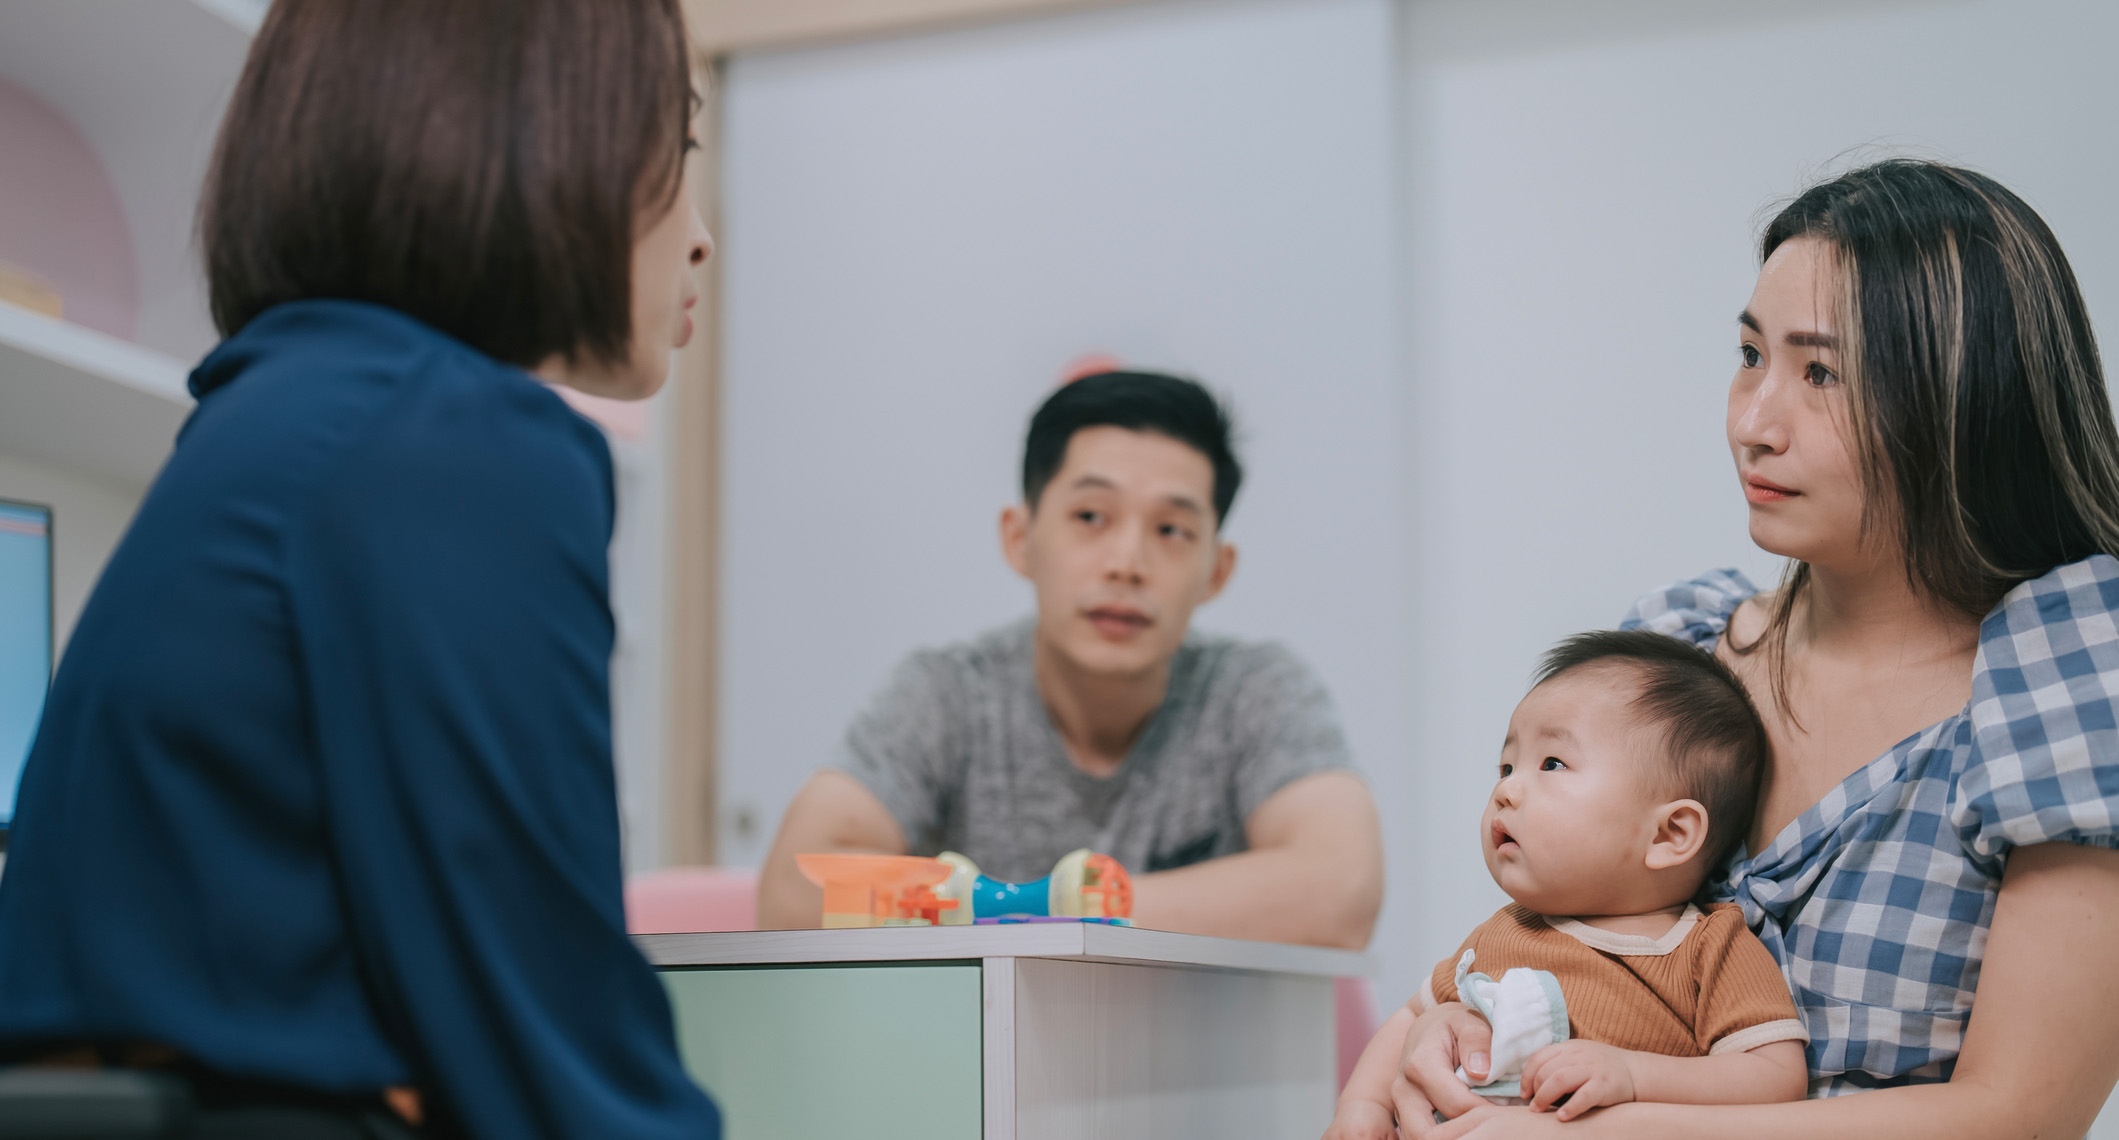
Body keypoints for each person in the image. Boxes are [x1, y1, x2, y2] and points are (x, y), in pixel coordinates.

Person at [0, 1, 719, 1137]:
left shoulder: (283, 413)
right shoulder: (445, 439)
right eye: (678, 152)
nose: (700, 236)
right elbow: (551, 1034)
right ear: (540, 131)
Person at [1390, 159, 2119, 1139]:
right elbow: (1560, 944)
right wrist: (1442, 1034)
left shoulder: (2062, 684)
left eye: (1819, 372)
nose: (1751, 423)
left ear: (1961, 396)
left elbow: (2017, 1113)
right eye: (1748, 354)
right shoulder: (1675, 649)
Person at [755, 371, 1384, 948]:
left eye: (1171, 530)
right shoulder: (948, 692)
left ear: (1215, 571)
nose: (1126, 563)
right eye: (1091, 516)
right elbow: (794, 891)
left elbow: (1342, 890)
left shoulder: (1255, 689)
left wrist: (1061, 911)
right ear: (1020, 539)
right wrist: (1039, 913)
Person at [1327, 631, 1806, 1140]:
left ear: (1669, 834)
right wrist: (1363, 1105)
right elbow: (1409, 1017)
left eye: (1552, 764)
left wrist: (1633, 1074)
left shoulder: (1709, 947)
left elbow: (1777, 1075)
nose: (1505, 790)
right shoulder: (1503, 931)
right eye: (1507, 767)